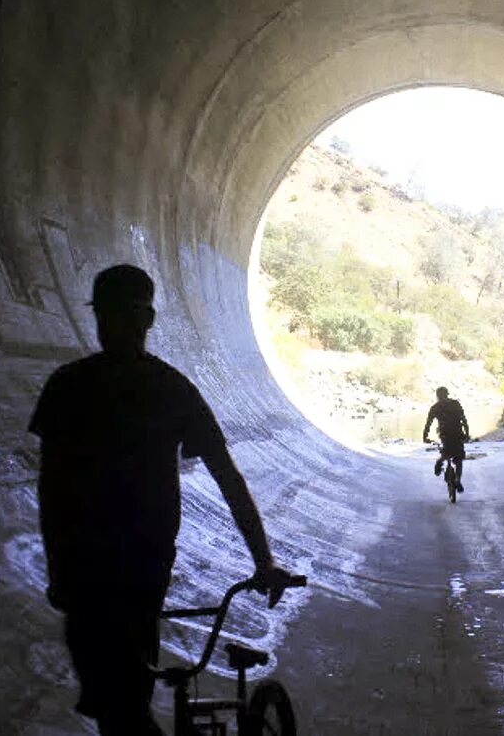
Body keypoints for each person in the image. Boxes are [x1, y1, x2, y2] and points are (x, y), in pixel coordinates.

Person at [30, 264, 295, 735]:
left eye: (123, 313)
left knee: (121, 708)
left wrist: (264, 560)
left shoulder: (74, 385)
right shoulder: (163, 388)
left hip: (116, 571)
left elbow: (52, 487)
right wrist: (263, 561)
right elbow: (227, 478)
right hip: (118, 568)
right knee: (120, 707)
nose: (114, 325)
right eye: (109, 314)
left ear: (146, 319)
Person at [423, 386, 470, 491]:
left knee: (448, 454)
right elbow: (464, 420)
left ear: (437, 396)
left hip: (446, 435)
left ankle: (440, 462)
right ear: (447, 394)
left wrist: (425, 436)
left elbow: (428, 424)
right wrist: (467, 434)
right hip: (457, 434)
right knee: (458, 458)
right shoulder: (455, 404)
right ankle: (457, 480)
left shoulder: (435, 407)